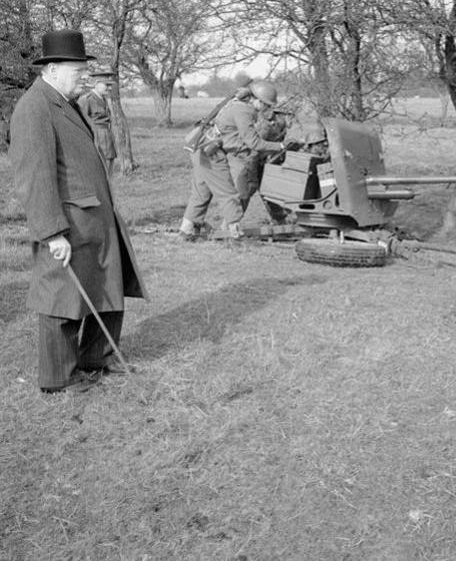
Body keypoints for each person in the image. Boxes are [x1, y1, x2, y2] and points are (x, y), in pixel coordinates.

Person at [9, 29, 148, 393]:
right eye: (77, 70)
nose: (84, 77)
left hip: (94, 219)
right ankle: (59, 379)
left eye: (85, 70)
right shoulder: (34, 107)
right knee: (62, 299)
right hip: (68, 224)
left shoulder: (65, 101)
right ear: (52, 69)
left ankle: (96, 358)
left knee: (107, 287)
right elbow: (33, 178)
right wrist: (52, 232)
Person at [178, 80, 297, 240]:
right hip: (212, 153)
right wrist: (281, 145)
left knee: (201, 194)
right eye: (266, 105)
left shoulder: (235, 104)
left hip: (200, 151)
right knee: (228, 193)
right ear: (258, 101)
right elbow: (254, 142)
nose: (267, 109)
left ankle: (186, 231)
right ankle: (234, 235)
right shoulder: (244, 110)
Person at [78, 69, 117, 176]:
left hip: (107, 136)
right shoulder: (86, 99)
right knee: (99, 171)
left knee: (109, 168)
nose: (109, 88)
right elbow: (80, 123)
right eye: (106, 85)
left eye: (110, 85)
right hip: (96, 137)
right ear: (96, 84)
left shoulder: (105, 99)